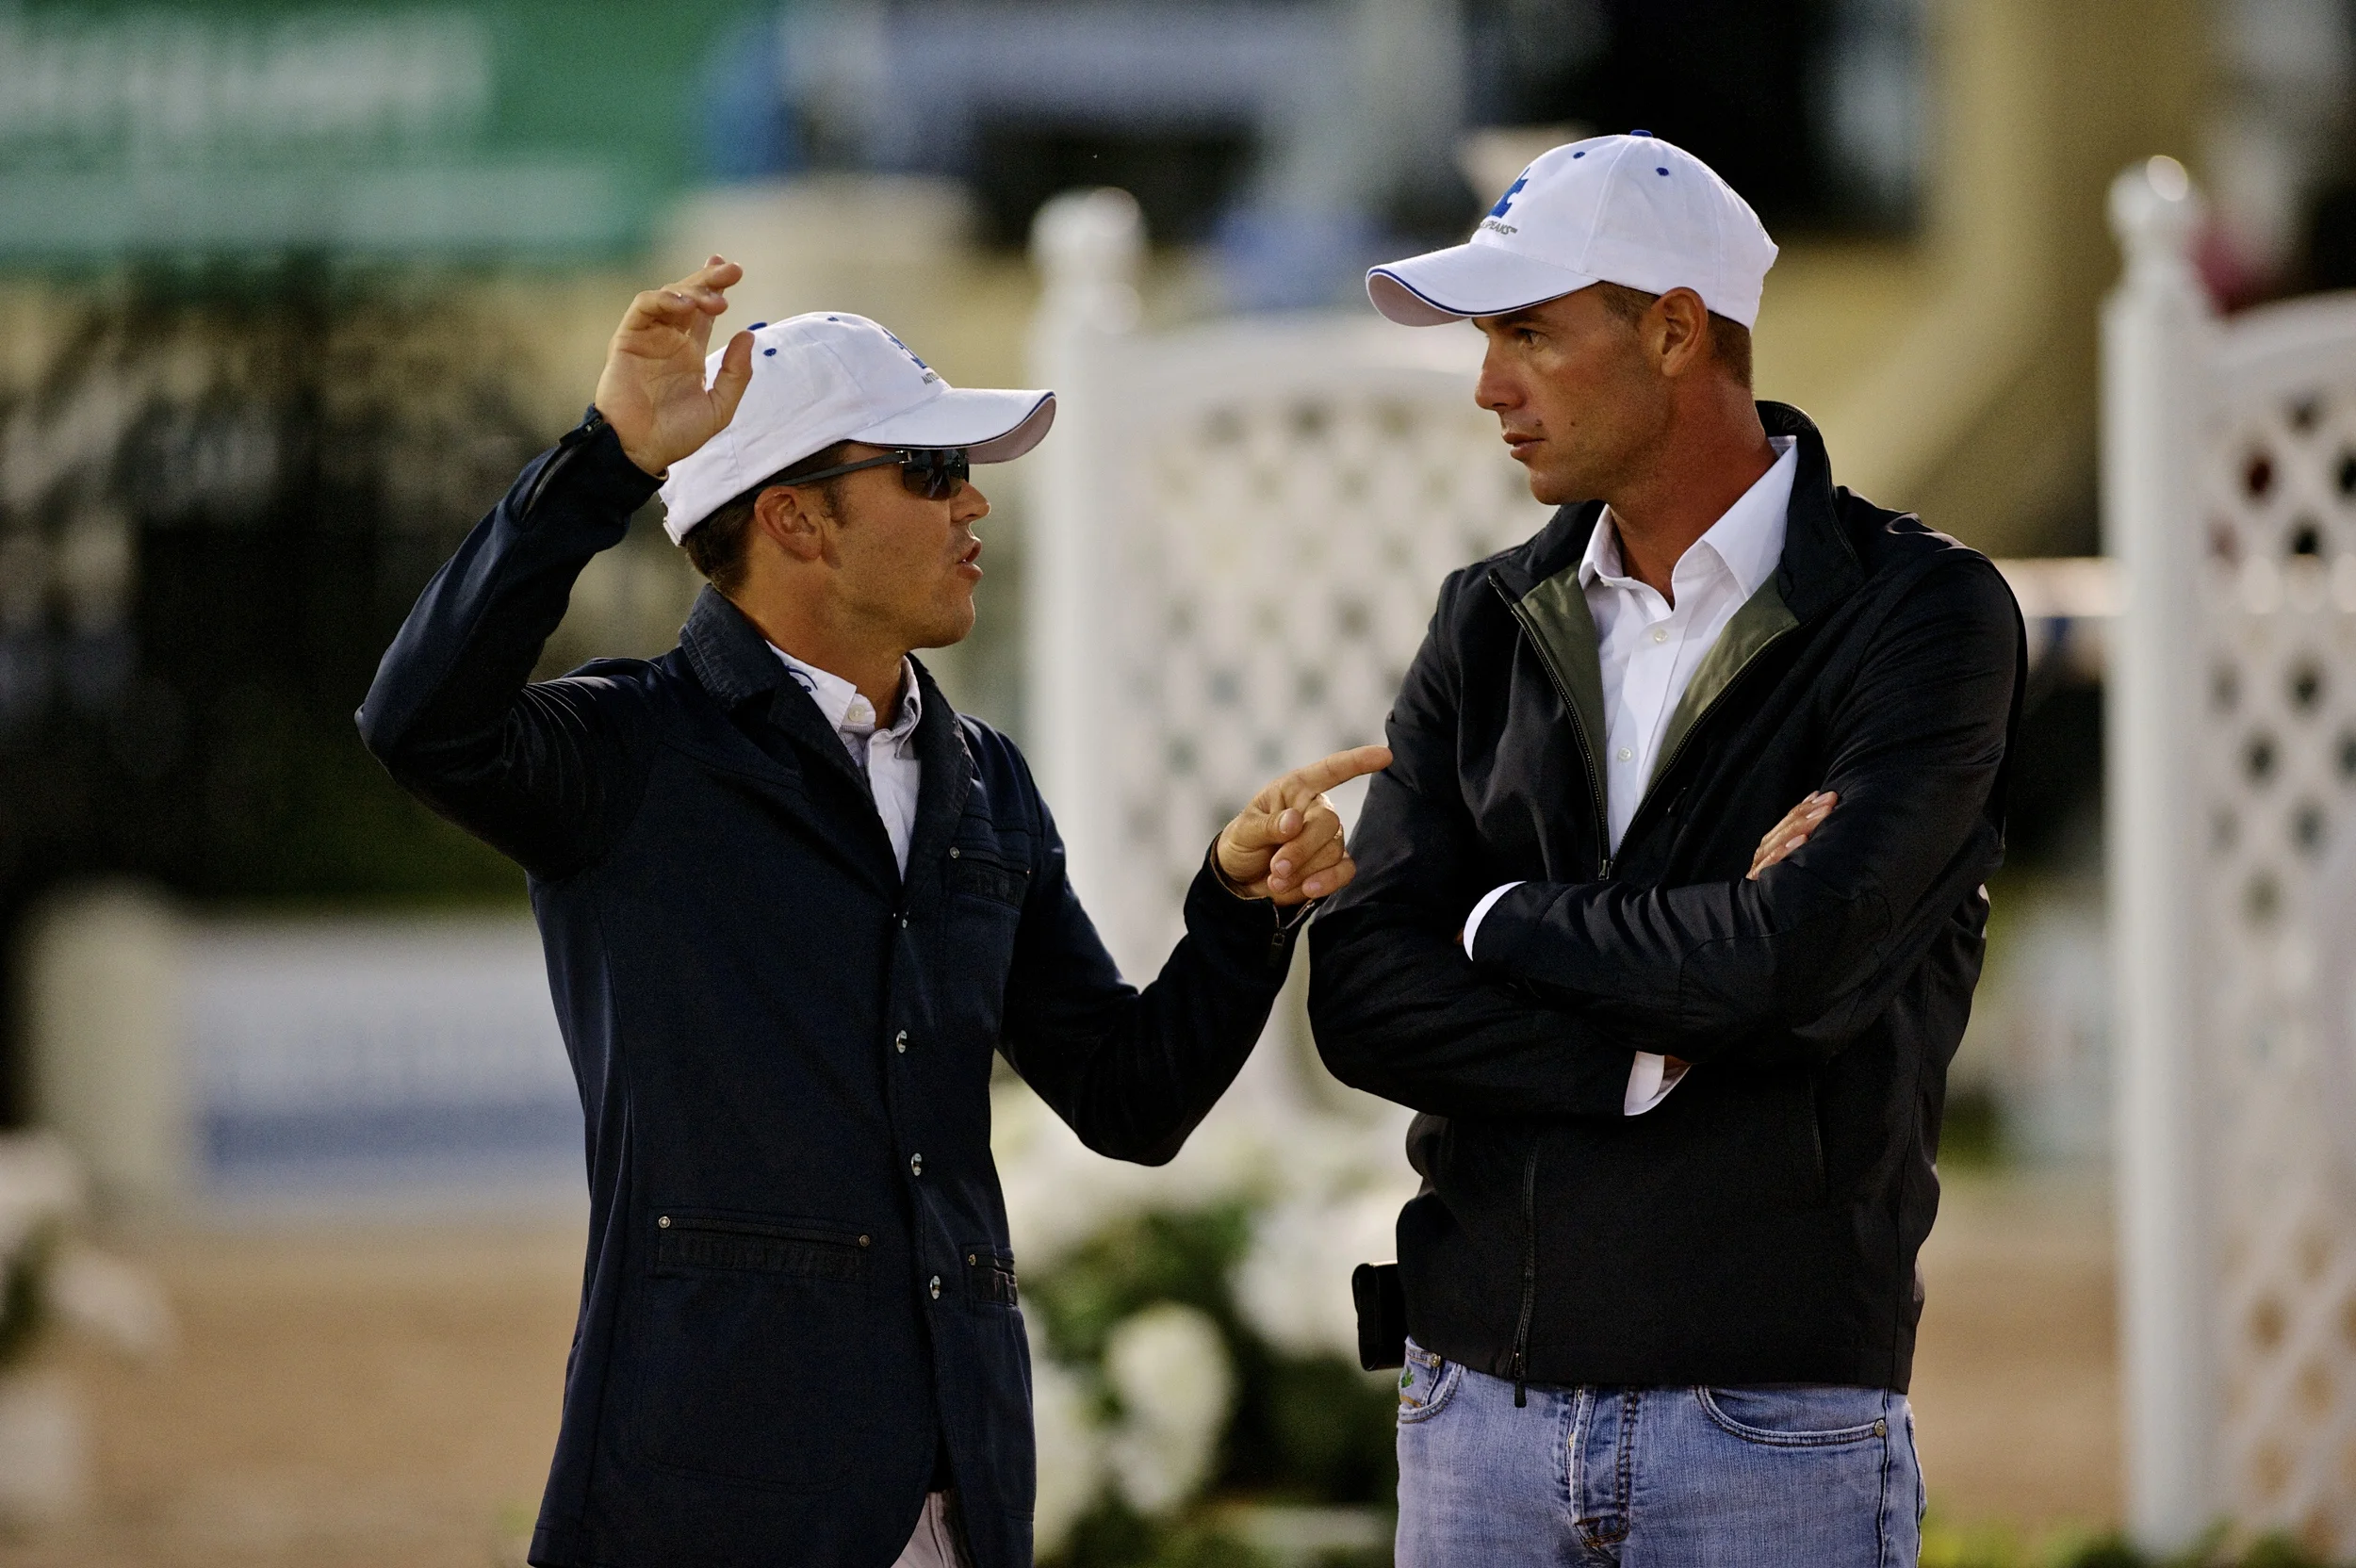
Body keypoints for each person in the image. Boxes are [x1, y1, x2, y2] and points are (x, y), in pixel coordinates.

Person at [357, 260, 1388, 1568]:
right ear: (794, 520)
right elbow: (417, 722)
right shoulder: (630, 752)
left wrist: (1240, 909)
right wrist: (606, 457)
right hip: (706, 1499)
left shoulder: (982, 776)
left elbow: (1129, 1101)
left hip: (962, 1493)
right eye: (932, 469)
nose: (974, 503)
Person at [1309, 133, 2025, 1566]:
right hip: (1471, 1414)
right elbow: (1362, 996)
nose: (1488, 385)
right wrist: (1645, 1045)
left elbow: (1791, 963)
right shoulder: (1483, 617)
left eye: (1528, 333)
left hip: (1773, 1424)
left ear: (1677, 331)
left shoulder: (1926, 616)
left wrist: (1496, 918)